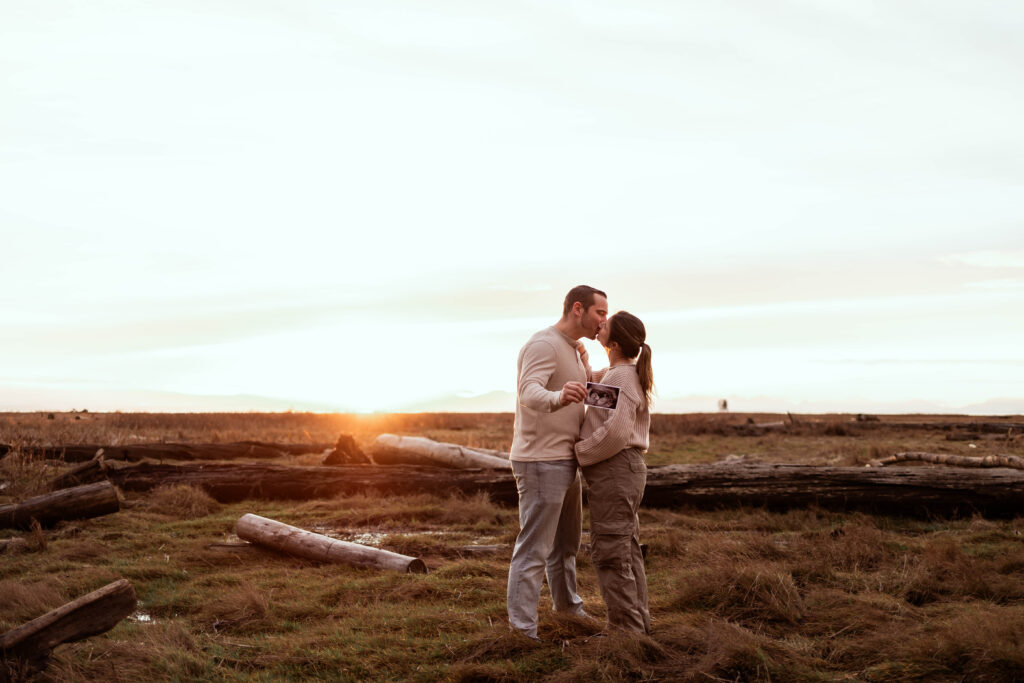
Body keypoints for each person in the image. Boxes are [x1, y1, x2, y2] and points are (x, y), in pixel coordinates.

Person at [507, 285, 608, 640]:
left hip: (566, 461)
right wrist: (558, 396)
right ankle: (522, 632)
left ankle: (569, 611)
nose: (604, 321)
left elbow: (584, 393)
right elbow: (528, 391)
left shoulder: (575, 351)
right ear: (578, 309)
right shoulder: (543, 344)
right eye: (600, 313)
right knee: (534, 549)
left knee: (565, 547)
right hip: (539, 462)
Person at [574, 311, 653, 634]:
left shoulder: (621, 376)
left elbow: (616, 433)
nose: (600, 324)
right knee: (625, 550)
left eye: (606, 325)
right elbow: (596, 395)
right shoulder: (619, 373)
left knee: (610, 553)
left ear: (616, 343)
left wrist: (580, 453)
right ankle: (637, 627)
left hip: (616, 470)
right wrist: (580, 357)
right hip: (622, 471)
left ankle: (626, 635)